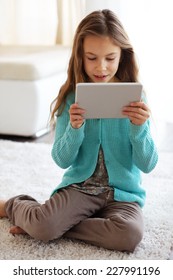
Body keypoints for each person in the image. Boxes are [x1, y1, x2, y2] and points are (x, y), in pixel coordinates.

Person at [0, 9, 158, 252]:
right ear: (80, 56)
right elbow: (62, 160)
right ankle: (14, 206)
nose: (101, 67)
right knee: (45, 227)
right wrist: (75, 129)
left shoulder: (135, 98)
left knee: (128, 235)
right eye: (92, 57)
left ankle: (49, 222)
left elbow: (148, 164)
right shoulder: (71, 98)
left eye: (110, 58)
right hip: (80, 189)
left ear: (122, 56)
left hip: (123, 195)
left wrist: (139, 129)